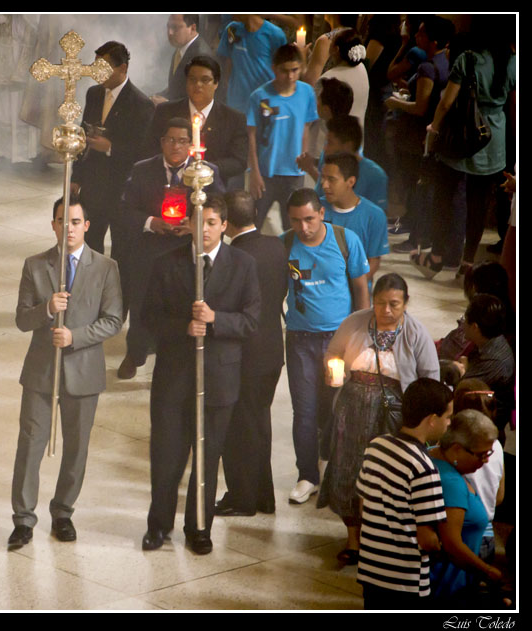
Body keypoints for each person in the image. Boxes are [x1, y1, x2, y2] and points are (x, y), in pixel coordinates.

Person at [141, 196, 261, 555]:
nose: (204, 229)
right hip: (174, 379)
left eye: (211, 222)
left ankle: (198, 527)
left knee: (207, 460)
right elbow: (148, 318)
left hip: (219, 380)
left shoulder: (243, 265)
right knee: (166, 457)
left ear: (224, 225)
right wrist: (184, 327)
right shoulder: (166, 263)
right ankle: (158, 525)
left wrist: (215, 320)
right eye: (198, 222)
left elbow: (251, 320)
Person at [7, 195, 123, 549]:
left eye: (75, 222)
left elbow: (113, 320)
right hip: (41, 372)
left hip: (84, 372)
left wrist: (75, 337)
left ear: (86, 226)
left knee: (77, 447)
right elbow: (21, 319)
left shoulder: (105, 267)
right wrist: (46, 309)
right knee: (30, 444)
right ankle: (23, 518)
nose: (69, 228)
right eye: (62, 221)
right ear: (53, 225)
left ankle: (63, 512)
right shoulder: (35, 265)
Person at [319, 273, 440, 564]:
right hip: (352, 407)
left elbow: (430, 377)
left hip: (395, 412)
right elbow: (334, 352)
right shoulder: (354, 322)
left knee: (385, 474)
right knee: (348, 467)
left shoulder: (416, 332)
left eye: (394, 304)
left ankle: (379, 538)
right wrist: (333, 369)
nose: (386, 310)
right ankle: (353, 540)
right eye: (380, 303)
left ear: (406, 303)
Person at [115, 117, 223, 380]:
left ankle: (180, 359)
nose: (176, 146)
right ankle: (135, 353)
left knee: (183, 304)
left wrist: (194, 226)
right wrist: (151, 222)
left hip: (186, 249)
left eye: (183, 141)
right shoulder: (142, 169)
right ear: (162, 142)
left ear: (192, 144)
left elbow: (220, 207)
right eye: (171, 140)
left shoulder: (205, 172)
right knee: (141, 303)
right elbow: (124, 210)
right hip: (150, 248)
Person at [281, 188, 369, 504]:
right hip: (300, 341)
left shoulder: (345, 240)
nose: (303, 227)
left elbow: (361, 289)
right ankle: (307, 475)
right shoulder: (284, 244)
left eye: (309, 219)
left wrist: (362, 337)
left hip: (338, 342)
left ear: (321, 214)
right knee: (303, 410)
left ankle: (334, 467)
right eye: (296, 221)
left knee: (336, 407)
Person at [419, 16, 516, 278]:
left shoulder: (468, 59)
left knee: (444, 196)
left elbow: (446, 102)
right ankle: (468, 264)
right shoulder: (512, 62)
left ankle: (437, 255)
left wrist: (434, 128)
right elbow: (514, 105)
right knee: (478, 204)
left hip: (463, 133)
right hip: (492, 138)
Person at [214, 191, 288, 517]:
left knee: (238, 430)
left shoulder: (234, 257)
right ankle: (263, 496)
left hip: (244, 355)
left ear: (226, 222)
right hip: (271, 349)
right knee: (259, 425)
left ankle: (242, 498)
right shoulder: (277, 247)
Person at [356, 378, 452, 610]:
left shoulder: (376, 446)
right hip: (405, 580)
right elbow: (426, 538)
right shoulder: (424, 467)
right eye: (448, 417)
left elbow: (363, 505)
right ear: (432, 419)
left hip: (371, 568)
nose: (449, 423)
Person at [72, 41, 154, 255]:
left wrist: (111, 148)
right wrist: (76, 177)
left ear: (122, 68)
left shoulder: (140, 104)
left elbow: (143, 151)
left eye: (104, 67)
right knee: (89, 244)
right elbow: (83, 136)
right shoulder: (94, 94)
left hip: (122, 186)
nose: (97, 73)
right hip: (93, 184)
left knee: (121, 247)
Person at [383, 16, 453, 255]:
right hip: (430, 135)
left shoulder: (427, 67)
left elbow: (421, 106)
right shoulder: (445, 61)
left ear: (433, 41)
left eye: (421, 33)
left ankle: (415, 237)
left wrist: (396, 102)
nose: (416, 36)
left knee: (414, 187)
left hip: (415, 135)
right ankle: (419, 232)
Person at [428, 410, 503, 606]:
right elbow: (452, 544)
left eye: (489, 453)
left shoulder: (432, 456)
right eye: (481, 454)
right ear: (456, 449)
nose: (486, 461)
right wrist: (488, 571)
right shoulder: (450, 482)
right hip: (447, 589)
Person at [145, 55, 247, 187]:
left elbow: (239, 161)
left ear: (216, 83)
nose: (198, 85)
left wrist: (204, 168)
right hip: (170, 184)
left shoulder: (233, 118)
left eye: (205, 80)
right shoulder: (166, 111)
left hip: (213, 188)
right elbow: (150, 149)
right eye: (192, 79)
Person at [247, 44, 318, 231]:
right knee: (253, 225)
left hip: (294, 174)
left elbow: (306, 127)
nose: (290, 76)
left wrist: (304, 160)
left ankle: (289, 254)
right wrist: (254, 172)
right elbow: (251, 136)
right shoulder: (260, 96)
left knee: (293, 229)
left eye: (295, 70)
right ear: (274, 68)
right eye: (284, 71)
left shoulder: (307, 93)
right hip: (266, 173)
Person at [453, 379, 506, 565]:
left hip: (459, 534)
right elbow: (499, 496)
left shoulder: (453, 446)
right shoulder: (496, 445)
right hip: (486, 534)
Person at [319, 151, 389, 283]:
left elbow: (373, 262)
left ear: (350, 181)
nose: (324, 185)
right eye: (323, 178)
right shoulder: (316, 208)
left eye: (331, 179)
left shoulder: (375, 216)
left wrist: (352, 289)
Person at [452, 294, 514, 439]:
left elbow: (460, 391)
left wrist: (463, 368)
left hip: (480, 433)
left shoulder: (492, 361)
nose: (462, 324)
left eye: (464, 319)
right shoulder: (492, 341)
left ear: (475, 327)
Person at [299, 114, 389, 212]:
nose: (325, 149)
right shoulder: (329, 168)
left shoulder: (375, 175)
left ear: (347, 146)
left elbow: (376, 216)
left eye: (330, 143)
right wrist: (310, 169)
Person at [215, 15, 287, 115]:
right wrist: (226, 85)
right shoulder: (232, 29)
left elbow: (283, 68)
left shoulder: (275, 34)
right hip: (236, 102)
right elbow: (227, 60)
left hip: (263, 103)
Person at [307, 30, 369, 135]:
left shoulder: (328, 79)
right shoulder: (362, 68)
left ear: (336, 49)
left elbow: (313, 115)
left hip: (331, 139)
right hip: (355, 137)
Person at [152, 15, 215, 105]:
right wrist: (155, 97)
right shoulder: (181, 49)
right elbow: (176, 86)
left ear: (192, 28)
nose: (170, 32)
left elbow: (201, 101)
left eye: (175, 27)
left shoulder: (202, 57)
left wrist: (167, 104)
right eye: (168, 27)